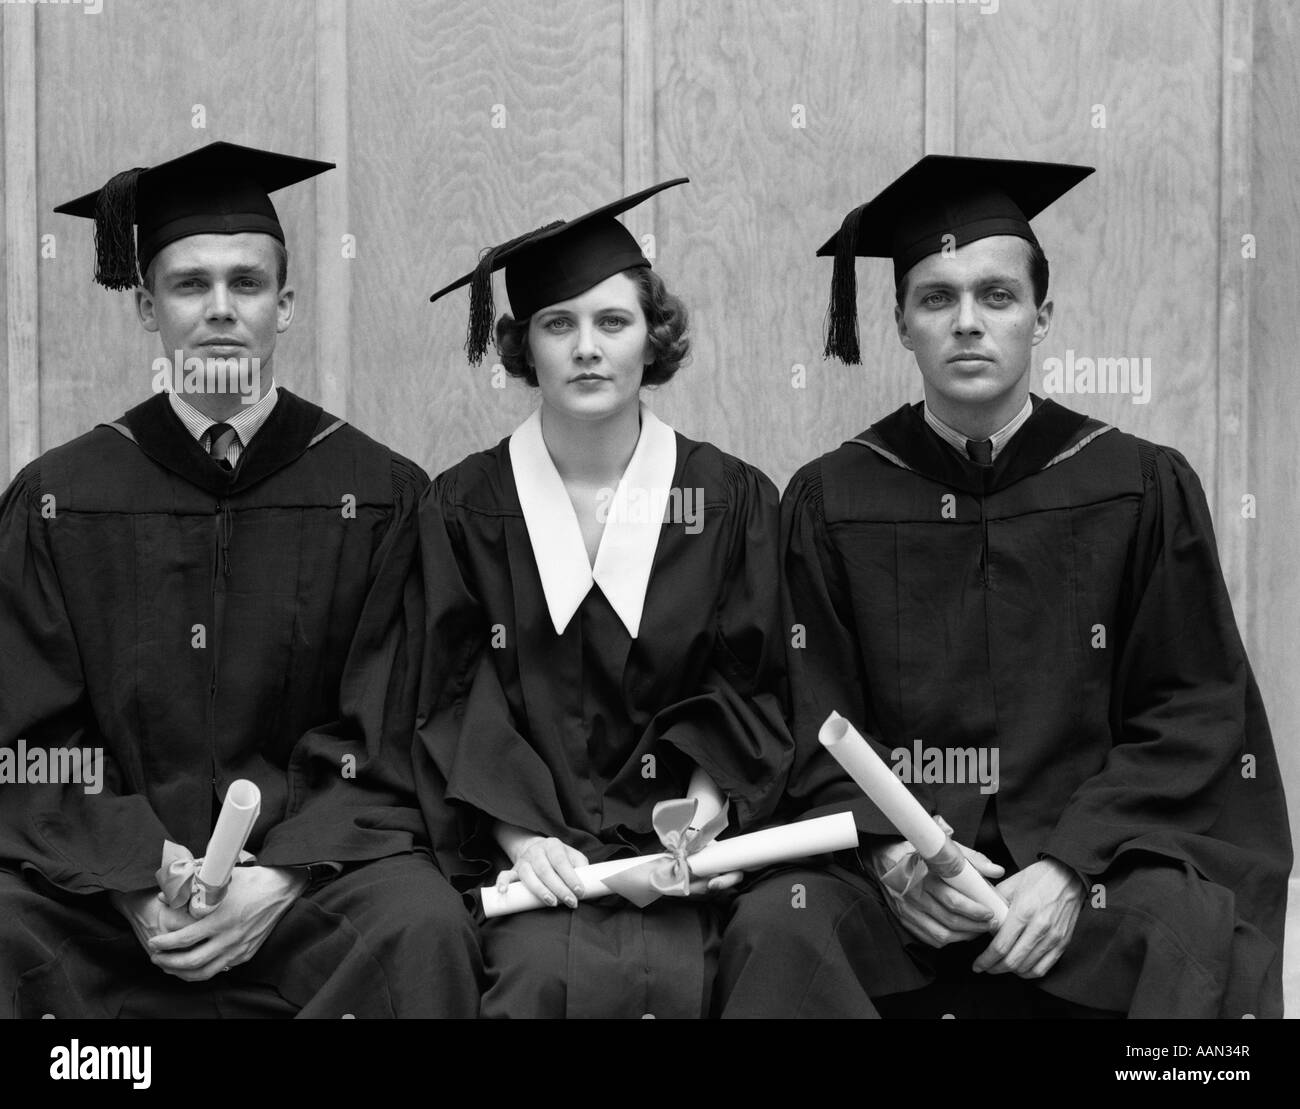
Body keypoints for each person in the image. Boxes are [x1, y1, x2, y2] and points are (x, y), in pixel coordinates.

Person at [716, 155, 1292, 1018]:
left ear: (1041, 317)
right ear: (904, 324)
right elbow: (805, 717)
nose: (968, 323)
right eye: (937, 298)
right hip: (899, 896)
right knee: (779, 925)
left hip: (1092, 870)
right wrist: (893, 858)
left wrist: (1070, 865)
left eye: (996, 296)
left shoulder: (1135, 484)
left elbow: (1192, 706)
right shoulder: (833, 499)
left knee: (1185, 926)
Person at [0, 140, 481, 1018]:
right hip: (103, 895)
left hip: (310, 886)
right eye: (190, 285)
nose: (220, 309)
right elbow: (32, 735)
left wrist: (285, 873)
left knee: (421, 926)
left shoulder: (377, 494)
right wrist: (135, 876)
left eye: (247, 284)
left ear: (285, 305)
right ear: (147, 306)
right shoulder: (63, 499)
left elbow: (393, 728)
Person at [419, 179, 794, 1018]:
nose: (587, 348)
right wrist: (520, 837)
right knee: (535, 975)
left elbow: (752, 678)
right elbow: (450, 694)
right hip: (529, 866)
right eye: (559, 324)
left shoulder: (728, 500)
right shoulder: (462, 509)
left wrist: (704, 807)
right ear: (526, 348)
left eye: (612, 322)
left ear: (650, 340)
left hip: (693, 853)